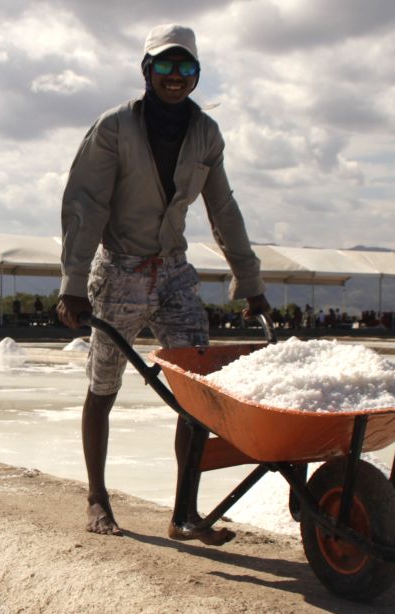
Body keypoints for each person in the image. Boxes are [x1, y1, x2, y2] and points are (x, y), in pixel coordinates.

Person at [56, 24, 270, 543]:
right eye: (166, 67)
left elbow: (223, 209)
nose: (176, 78)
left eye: (186, 68)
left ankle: (184, 513)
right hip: (120, 269)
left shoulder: (206, 134)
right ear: (147, 70)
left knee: (196, 391)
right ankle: (97, 498)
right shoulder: (113, 128)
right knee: (103, 386)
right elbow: (85, 205)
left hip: (173, 272)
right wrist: (74, 281)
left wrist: (249, 279)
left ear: (197, 76)